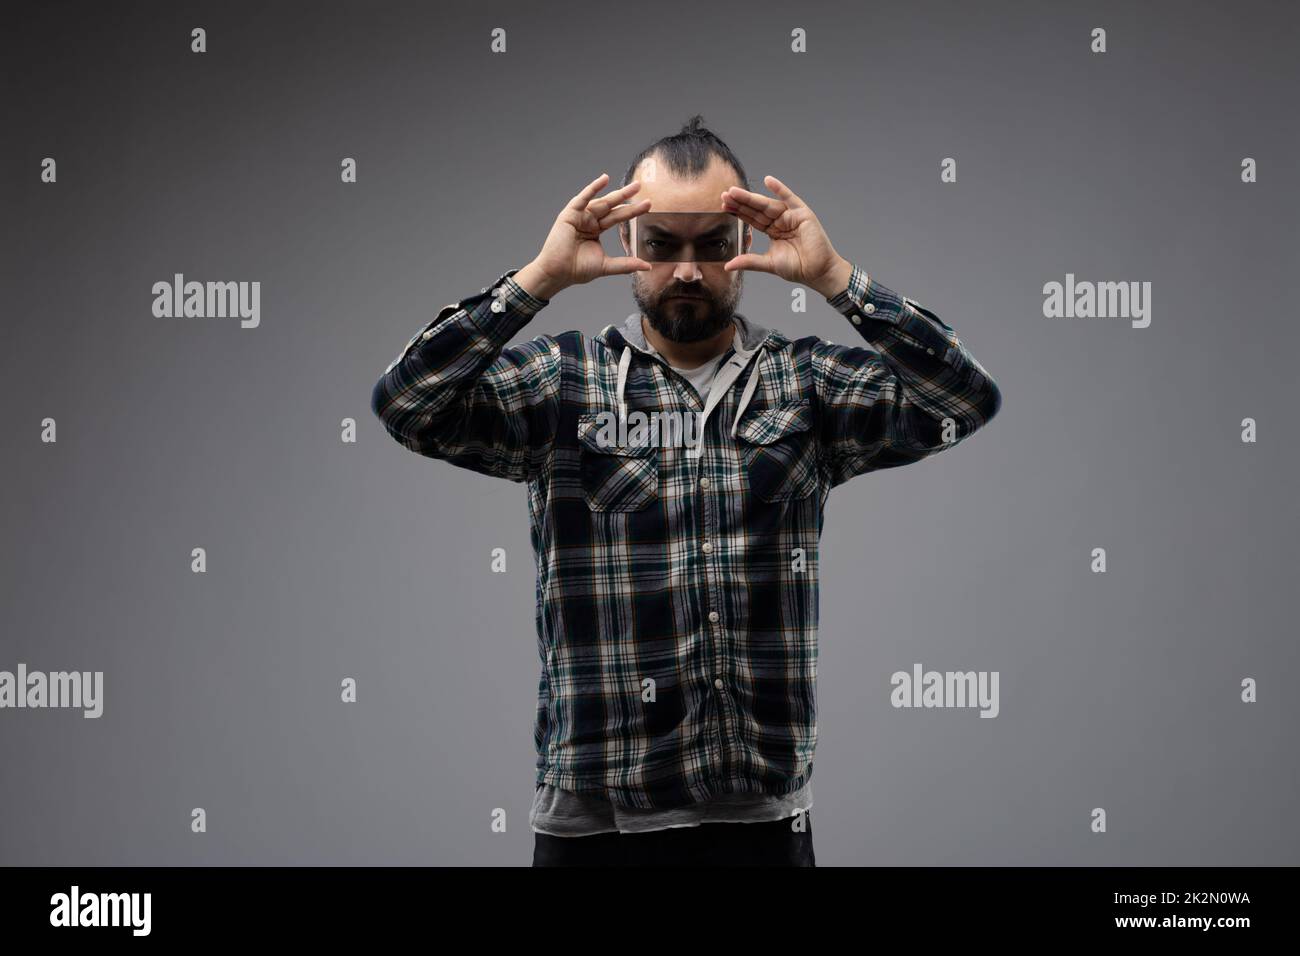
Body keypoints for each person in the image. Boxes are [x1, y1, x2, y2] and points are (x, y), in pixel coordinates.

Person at [370, 116, 1002, 866]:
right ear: (630, 245)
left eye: (713, 245)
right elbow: (407, 406)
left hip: (758, 826)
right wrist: (535, 281)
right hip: (594, 824)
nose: (689, 272)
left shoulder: (804, 386)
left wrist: (838, 280)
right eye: (663, 245)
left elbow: (963, 403)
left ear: (744, 246)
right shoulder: (564, 384)